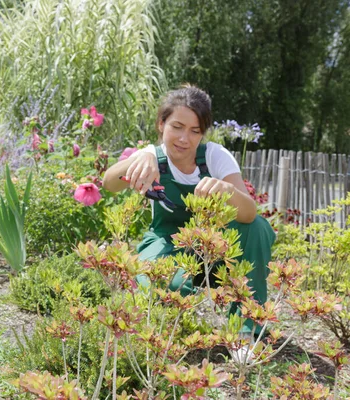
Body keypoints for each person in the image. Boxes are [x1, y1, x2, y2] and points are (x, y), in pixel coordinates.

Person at [103, 85, 275, 353]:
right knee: (161, 288)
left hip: (215, 251)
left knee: (258, 227)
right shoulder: (152, 157)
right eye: (177, 126)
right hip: (167, 245)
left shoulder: (215, 157)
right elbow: (109, 183)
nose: (184, 138)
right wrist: (141, 157)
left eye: (195, 131)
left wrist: (228, 191)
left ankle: (244, 332)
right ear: (162, 124)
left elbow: (250, 214)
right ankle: (157, 335)